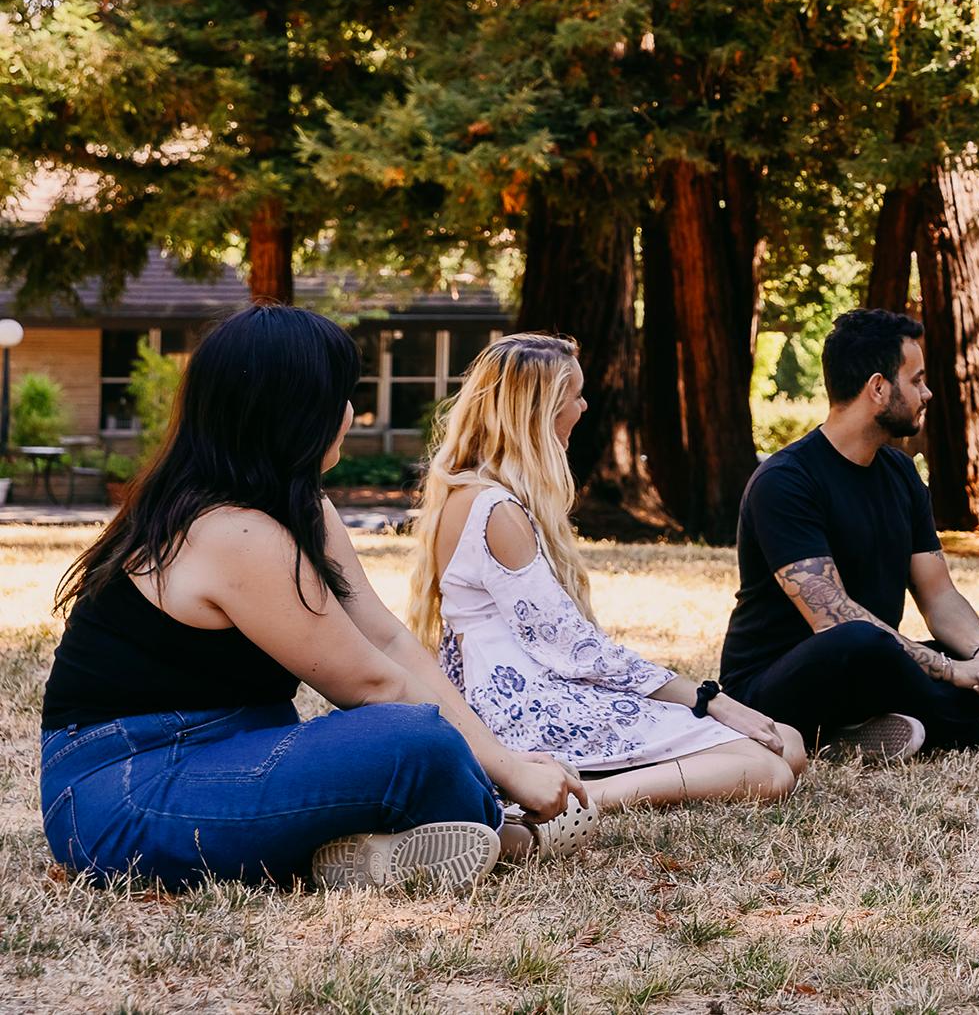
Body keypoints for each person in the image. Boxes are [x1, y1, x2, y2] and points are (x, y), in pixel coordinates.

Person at [37, 304, 585, 891]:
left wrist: (501, 755)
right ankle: (508, 836)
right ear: (296, 410)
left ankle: (366, 852)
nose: (350, 413)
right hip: (126, 788)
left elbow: (387, 638)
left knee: (417, 737)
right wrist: (510, 772)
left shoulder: (301, 507)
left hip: (239, 747)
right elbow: (371, 685)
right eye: (342, 395)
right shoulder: (228, 530)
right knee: (417, 741)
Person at [409, 334, 805, 820]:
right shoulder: (495, 510)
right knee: (769, 768)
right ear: (540, 411)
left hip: (529, 694)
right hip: (526, 709)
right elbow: (574, 649)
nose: (584, 404)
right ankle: (574, 803)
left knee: (788, 742)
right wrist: (710, 700)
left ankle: (592, 779)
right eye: (575, 394)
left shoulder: (476, 494)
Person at [720, 308, 979, 760]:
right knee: (860, 639)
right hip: (774, 688)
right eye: (916, 380)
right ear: (878, 388)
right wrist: (953, 672)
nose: (927, 393)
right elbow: (833, 620)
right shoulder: (786, 481)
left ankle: (858, 734)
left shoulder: (900, 471)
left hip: (878, 668)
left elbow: (938, 596)